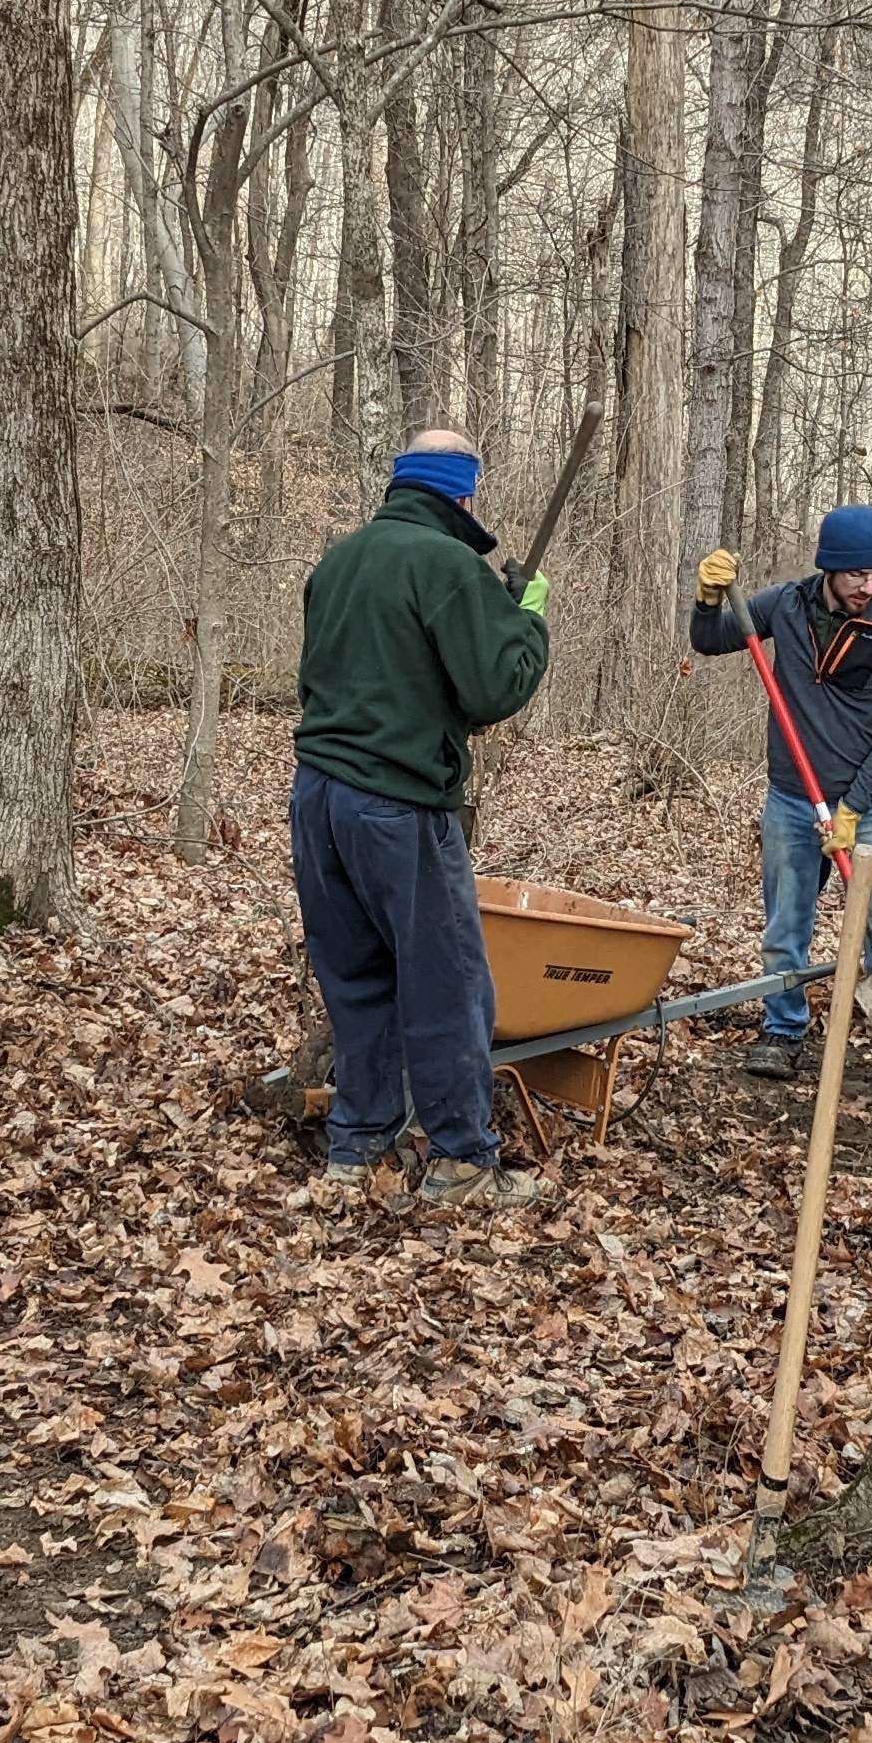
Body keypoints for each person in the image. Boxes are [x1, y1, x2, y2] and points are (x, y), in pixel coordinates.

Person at [289, 428, 553, 1210]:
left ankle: (356, 1146)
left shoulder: (338, 561)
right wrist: (525, 623)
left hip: (317, 799)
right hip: (397, 806)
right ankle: (462, 1162)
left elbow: (387, 672)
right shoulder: (447, 566)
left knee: (357, 976)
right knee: (448, 986)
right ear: (463, 495)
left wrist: (487, 616)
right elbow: (492, 690)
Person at [689, 505, 872, 1096]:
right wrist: (705, 599)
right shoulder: (786, 606)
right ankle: (782, 1032)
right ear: (829, 569)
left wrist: (852, 807)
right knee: (785, 928)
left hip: (869, 806)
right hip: (792, 800)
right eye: (856, 574)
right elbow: (709, 641)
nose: (867, 586)